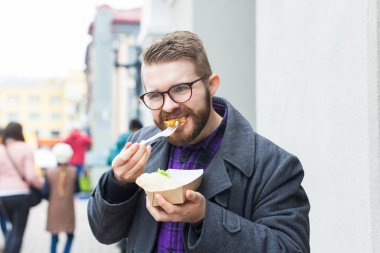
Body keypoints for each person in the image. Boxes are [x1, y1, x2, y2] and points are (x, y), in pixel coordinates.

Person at [88, 31, 310, 252]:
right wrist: (118, 184)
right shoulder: (142, 145)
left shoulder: (275, 166)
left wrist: (205, 218)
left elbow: (290, 248)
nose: (168, 106)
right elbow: (104, 232)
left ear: (211, 85)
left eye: (180, 89)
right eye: (155, 95)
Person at [0, 122, 44, 253]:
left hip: (2, 196)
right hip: (20, 194)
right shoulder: (25, 148)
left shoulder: (1, 149)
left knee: (12, 229)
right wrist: (41, 186)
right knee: (18, 233)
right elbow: (30, 175)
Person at [46, 143, 77, 253]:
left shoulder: (49, 172)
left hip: (53, 209)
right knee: (70, 235)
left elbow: (45, 193)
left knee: (54, 237)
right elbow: (77, 190)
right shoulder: (73, 171)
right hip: (68, 209)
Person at [63, 125, 92, 190]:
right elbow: (90, 142)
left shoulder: (70, 138)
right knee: (79, 176)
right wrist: (84, 135)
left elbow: (64, 142)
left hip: (71, 160)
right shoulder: (82, 137)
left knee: (71, 176)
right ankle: (78, 190)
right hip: (80, 161)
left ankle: (71, 190)